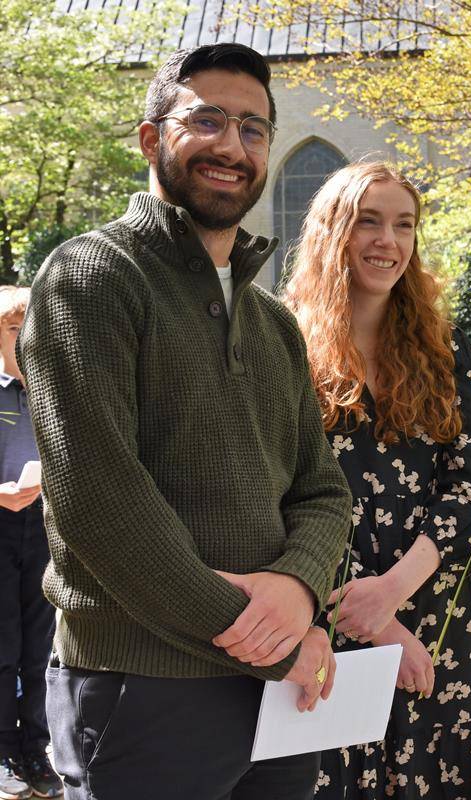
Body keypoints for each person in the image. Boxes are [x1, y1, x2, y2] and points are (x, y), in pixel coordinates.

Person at [17, 43, 352, 800]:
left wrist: (299, 592)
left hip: (278, 698)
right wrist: (271, 639)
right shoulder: (91, 276)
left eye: (254, 128)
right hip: (144, 689)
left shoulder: (273, 322)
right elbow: (101, 504)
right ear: (150, 137)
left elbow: (323, 491)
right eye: (208, 120)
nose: (234, 146)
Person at [283, 161, 471, 799]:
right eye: (368, 221)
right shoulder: (283, 346)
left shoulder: (444, 347)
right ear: (333, 230)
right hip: (327, 612)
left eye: (404, 225)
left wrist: (393, 592)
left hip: (444, 609)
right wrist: (374, 619)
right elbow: (275, 495)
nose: (388, 240)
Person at [0, 286, 63, 800]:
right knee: (3, 647)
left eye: (29, 327)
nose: (22, 339)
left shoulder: (53, 391)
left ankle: (36, 751)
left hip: (43, 527)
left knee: (39, 649)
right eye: (11, 329)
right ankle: (3, 752)